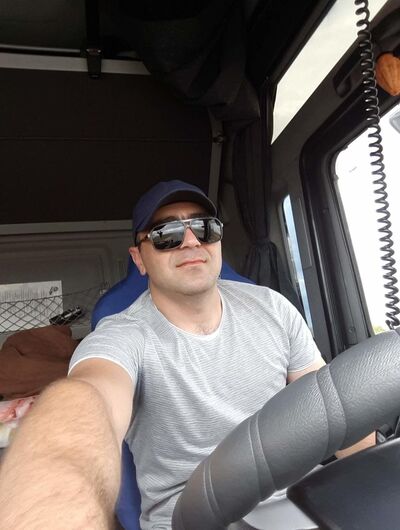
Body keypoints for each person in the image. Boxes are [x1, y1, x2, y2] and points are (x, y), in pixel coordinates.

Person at [0, 180, 374, 529]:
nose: (191, 242)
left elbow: (327, 407)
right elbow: (90, 400)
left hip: (299, 502)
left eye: (205, 228)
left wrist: (379, 474)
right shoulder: (122, 335)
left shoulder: (273, 308)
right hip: (195, 518)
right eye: (166, 235)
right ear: (139, 258)